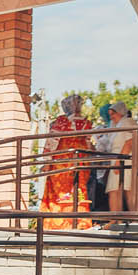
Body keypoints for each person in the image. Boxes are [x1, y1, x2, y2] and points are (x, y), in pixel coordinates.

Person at [42, 94, 93, 230]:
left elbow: (52, 141)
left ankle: (59, 223)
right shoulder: (86, 123)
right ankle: (80, 222)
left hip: (62, 162)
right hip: (80, 162)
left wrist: (47, 161)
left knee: (61, 193)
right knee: (79, 190)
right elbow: (88, 144)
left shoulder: (62, 122)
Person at [109, 100, 138, 214]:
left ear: (120, 112)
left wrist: (119, 160)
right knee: (115, 189)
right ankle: (116, 219)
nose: (111, 117)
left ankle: (133, 217)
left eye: (113, 114)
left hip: (125, 158)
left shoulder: (127, 122)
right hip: (117, 157)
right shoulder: (117, 125)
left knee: (128, 189)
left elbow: (129, 142)